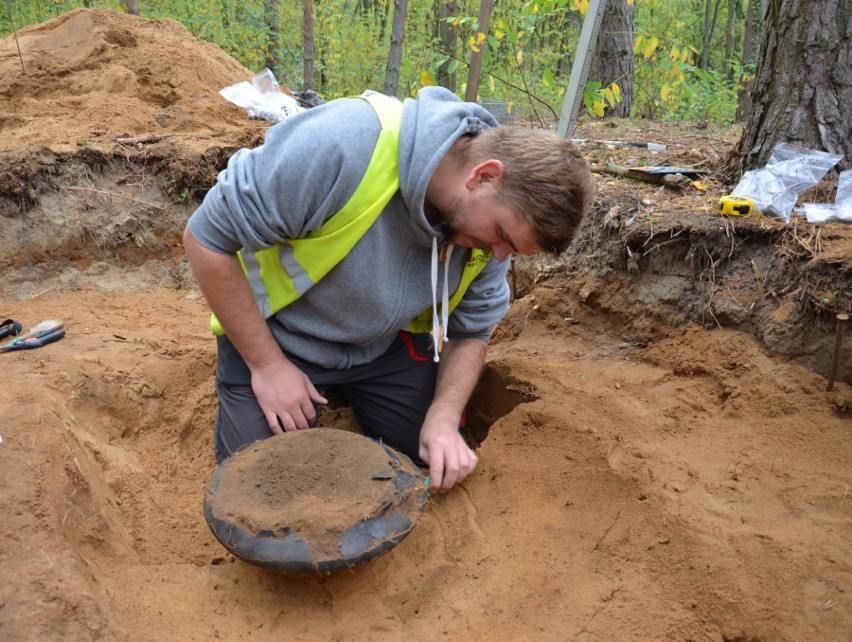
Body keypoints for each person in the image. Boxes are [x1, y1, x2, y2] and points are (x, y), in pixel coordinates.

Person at [183, 86, 594, 494]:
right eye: (502, 235)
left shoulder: (490, 238)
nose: (499, 256)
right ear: (484, 176)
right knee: (262, 488)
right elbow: (205, 238)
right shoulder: (343, 144)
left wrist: (444, 416)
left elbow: (471, 331)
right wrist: (268, 366)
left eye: (513, 249)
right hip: (278, 337)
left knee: (436, 460)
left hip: (384, 349)